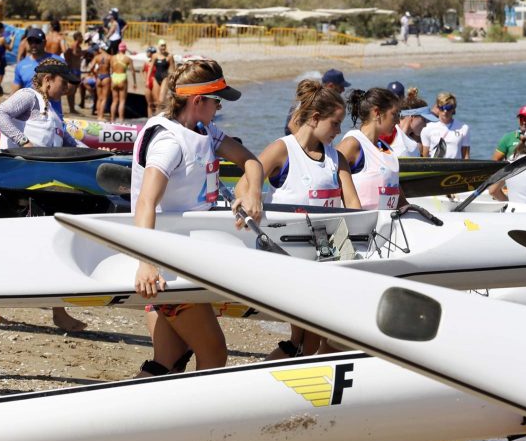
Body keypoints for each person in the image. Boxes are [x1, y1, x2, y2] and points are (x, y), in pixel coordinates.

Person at [132, 58, 262, 371]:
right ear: (198, 100)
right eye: (217, 102)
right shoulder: (168, 142)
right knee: (215, 353)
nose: (220, 109)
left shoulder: (204, 130)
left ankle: (140, 417)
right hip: (166, 265)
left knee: (170, 359)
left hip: (189, 256)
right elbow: (146, 201)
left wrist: (251, 193)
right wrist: (146, 263)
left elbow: (251, 161)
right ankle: (203, 417)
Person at [0, 58, 88, 332]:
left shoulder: (51, 109)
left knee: (54, 244)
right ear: (48, 79)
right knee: (20, 244)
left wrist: (95, 154)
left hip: (45, 185)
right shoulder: (28, 97)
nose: (67, 89)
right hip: (21, 184)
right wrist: (24, 143)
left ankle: (58, 312)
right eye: (64, 83)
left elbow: (67, 141)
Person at [261, 79, 361, 359]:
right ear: (315, 118)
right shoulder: (282, 149)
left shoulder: (336, 158)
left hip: (325, 259)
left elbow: (353, 205)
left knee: (308, 344)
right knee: (305, 341)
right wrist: (248, 201)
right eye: (336, 123)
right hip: (290, 258)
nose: (340, 131)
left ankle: (282, 383)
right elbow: (248, 180)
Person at [338, 87, 403, 210]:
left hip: (388, 223)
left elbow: (395, 189)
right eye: (394, 114)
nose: (398, 120)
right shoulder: (352, 143)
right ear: (377, 113)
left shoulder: (386, 148)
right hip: (362, 225)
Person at [13, 28, 64, 115]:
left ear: (44, 42)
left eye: (37, 41)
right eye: (30, 42)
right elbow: (15, 93)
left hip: (53, 115)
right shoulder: (21, 65)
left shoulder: (57, 61)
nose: (33, 45)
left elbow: (70, 87)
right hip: (29, 117)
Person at [283, 68, 349, 135]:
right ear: (330, 86)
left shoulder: (326, 101)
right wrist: (302, 144)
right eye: (341, 87)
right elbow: (292, 125)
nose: (343, 90)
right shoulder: (312, 98)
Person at [388, 87, 438, 157]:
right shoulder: (387, 134)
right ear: (412, 116)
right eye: (424, 120)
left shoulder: (414, 145)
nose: (425, 125)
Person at [420, 91, 470, 159]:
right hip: (435, 167)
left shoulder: (464, 128)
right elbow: (425, 156)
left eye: (448, 108)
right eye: (442, 108)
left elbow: (466, 156)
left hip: (455, 168)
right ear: (437, 108)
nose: (445, 111)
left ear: (453, 109)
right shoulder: (427, 128)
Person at [110, 43, 137, 123]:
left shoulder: (113, 58)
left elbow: (111, 70)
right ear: (125, 49)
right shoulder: (128, 58)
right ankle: (121, 119)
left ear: (118, 49)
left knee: (114, 100)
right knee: (122, 100)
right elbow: (133, 71)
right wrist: (135, 82)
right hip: (122, 77)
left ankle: (112, 119)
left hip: (114, 77)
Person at [63, 31, 85, 114]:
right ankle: (71, 109)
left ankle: (72, 109)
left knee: (74, 91)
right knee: (71, 90)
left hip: (78, 71)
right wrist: (68, 62)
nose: (83, 38)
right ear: (78, 37)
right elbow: (65, 53)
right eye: (81, 37)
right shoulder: (73, 46)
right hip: (72, 70)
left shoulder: (79, 47)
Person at [150, 39, 175, 108]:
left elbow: (173, 70)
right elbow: (150, 68)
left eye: (164, 45)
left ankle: (163, 115)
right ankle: (158, 116)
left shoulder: (169, 56)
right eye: (161, 46)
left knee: (161, 100)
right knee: (156, 101)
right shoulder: (155, 56)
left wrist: (173, 80)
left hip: (165, 77)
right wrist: (147, 80)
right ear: (158, 47)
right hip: (156, 78)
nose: (163, 47)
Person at [91, 42, 112, 121]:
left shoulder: (97, 57)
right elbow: (112, 70)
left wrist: (95, 74)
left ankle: (98, 116)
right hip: (106, 77)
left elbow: (91, 67)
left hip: (99, 77)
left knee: (99, 98)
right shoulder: (110, 57)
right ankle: (101, 116)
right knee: (104, 99)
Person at [142, 45, 157, 117]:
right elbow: (142, 71)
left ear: (152, 53)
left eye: (148, 52)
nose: (146, 53)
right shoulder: (146, 63)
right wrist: (145, 79)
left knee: (156, 103)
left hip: (155, 83)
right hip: (148, 83)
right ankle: (149, 119)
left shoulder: (157, 63)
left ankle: (155, 119)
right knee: (149, 103)